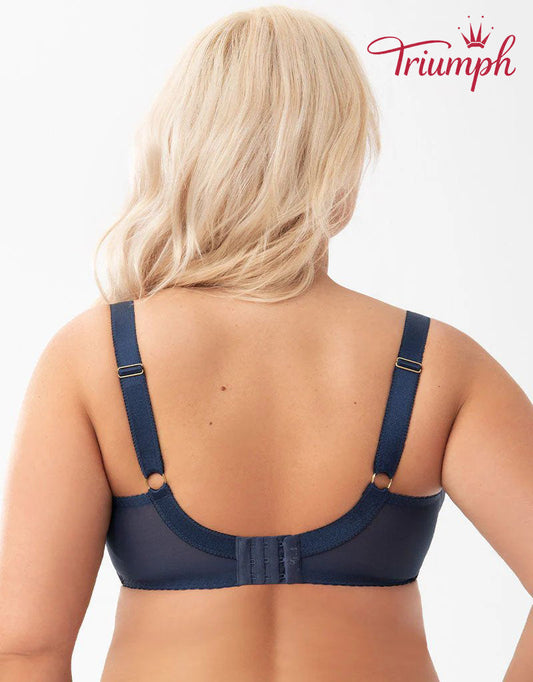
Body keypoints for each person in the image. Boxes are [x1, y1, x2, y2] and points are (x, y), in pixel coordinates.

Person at [0, 6, 531, 681]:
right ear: (337, 161)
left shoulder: (95, 357)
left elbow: (25, 649)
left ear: (182, 146)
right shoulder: (437, 364)